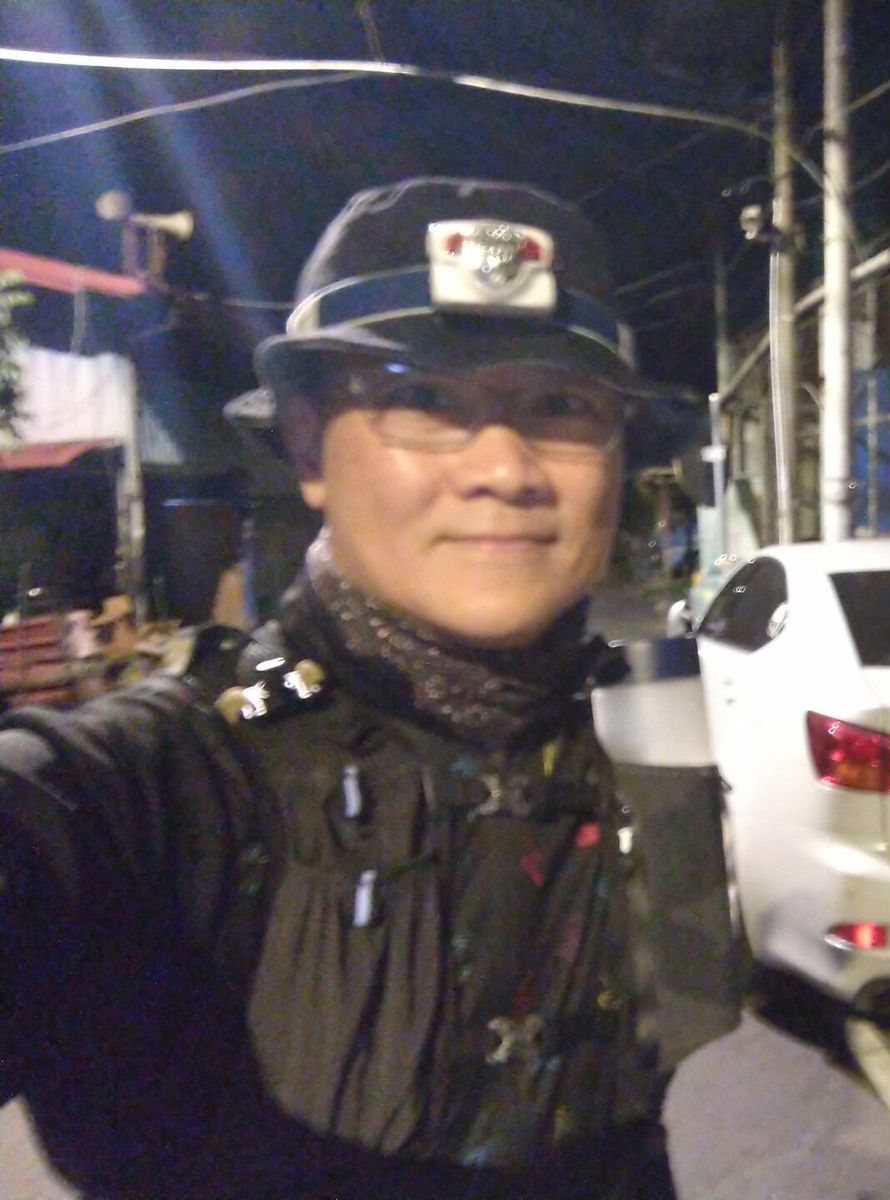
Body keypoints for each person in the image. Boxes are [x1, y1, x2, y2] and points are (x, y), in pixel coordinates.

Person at [0, 177, 738, 1199]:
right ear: (308, 449)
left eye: (561, 407)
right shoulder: (193, 761)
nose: (505, 468)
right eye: (421, 398)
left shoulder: (639, 728)